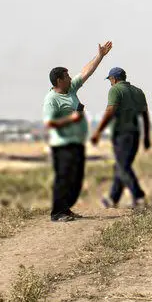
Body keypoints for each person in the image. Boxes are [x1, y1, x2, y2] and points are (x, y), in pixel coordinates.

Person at [44, 41, 113, 222]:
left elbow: (85, 72)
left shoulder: (71, 88)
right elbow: (50, 123)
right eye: (67, 76)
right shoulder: (51, 99)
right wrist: (71, 118)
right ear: (59, 80)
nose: (70, 78)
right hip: (62, 145)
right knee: (63, 178)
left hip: (77, 143)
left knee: (75, 179)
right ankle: (57, 213)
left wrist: (100, 56)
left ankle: (66, 209)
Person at [90, 67, 151, 209]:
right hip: (135, 134)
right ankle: (113, 199)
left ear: (114, 79)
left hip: (122, 135)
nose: (110, 83)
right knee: (121, 165)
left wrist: (97, 132)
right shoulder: (138, 91)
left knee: (122, 167)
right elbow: (145, 116)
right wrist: (146, 137)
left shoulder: (115, 90)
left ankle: (139, 196)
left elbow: (109, 112)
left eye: (110, 80)